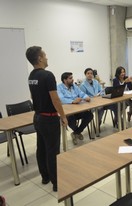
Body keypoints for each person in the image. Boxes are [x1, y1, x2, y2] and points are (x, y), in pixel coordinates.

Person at [26, 46, 68, 192]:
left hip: (37, 117)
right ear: (39, 58)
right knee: (52, 151)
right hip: (49, 119)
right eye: (45, 55)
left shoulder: (31, 76)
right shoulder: (47, 75)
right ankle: (57, 183)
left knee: (42, 148)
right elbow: (55, 99)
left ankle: (45, 177)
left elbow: (33, 97)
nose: (47, 57)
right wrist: (63, 116)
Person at [57, 72, 93, 145]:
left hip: (77, 109)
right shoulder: (59, 87)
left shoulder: (74, 86)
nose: (72, 80)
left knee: (89, 115)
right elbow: (61, 99)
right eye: (70, 78)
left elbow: (81, 93)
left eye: (72, 78)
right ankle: (78, 132)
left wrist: (86, 97)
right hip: (68, 111)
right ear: (64, 80)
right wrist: (72, 101)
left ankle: (76, 133)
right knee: (71, 119)